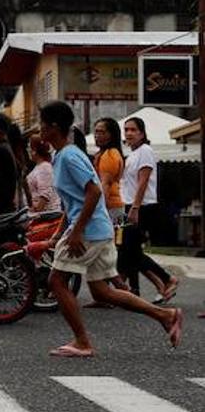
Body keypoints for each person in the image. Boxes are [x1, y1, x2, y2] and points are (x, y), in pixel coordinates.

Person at [39, 101, 182, 357]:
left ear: (53, 127)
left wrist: (77, 231)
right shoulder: (61, 156)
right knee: (102, 291)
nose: (39, 129)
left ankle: (82, 342)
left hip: (90, 231)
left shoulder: (70, 155)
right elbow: (73, 201)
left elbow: (93, 192)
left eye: (42, 124)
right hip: (94, 229)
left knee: (57, 281)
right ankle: (166, 315)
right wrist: (60, 231)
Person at [121, 117, 178, 302]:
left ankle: (167, 279)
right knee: (131, 251)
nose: (129, 133)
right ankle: (162, 284)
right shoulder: (131, 154)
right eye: (126, 130)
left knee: (130, 251)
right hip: (131, 205)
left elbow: (143, 181)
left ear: (142, 133)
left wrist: (135, 207)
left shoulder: (145, 151)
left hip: (143, 206)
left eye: (133, 130)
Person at [26, 136, 60, 214]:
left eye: (29, 147)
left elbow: (45, 195)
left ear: (34, 150)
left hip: (46, 216)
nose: (27, 150)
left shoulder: (44, 167)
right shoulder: (38, 167)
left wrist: (36, 211)